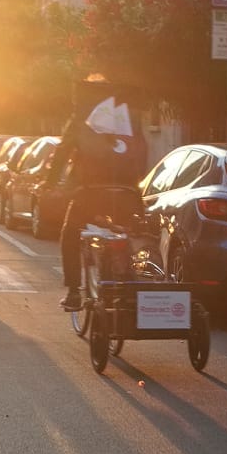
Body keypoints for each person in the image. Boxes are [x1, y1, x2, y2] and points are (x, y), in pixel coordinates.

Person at [54, 87, 149, 311]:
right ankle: (130, 281)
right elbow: (142, 150)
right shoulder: (129, 115)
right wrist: (136, 181)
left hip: (90, 194)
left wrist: (50, 183)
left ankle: (74, 292)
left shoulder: (80, 119)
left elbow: (63, 152)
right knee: (129, 233)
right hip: (127, 194)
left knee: (70, 234)